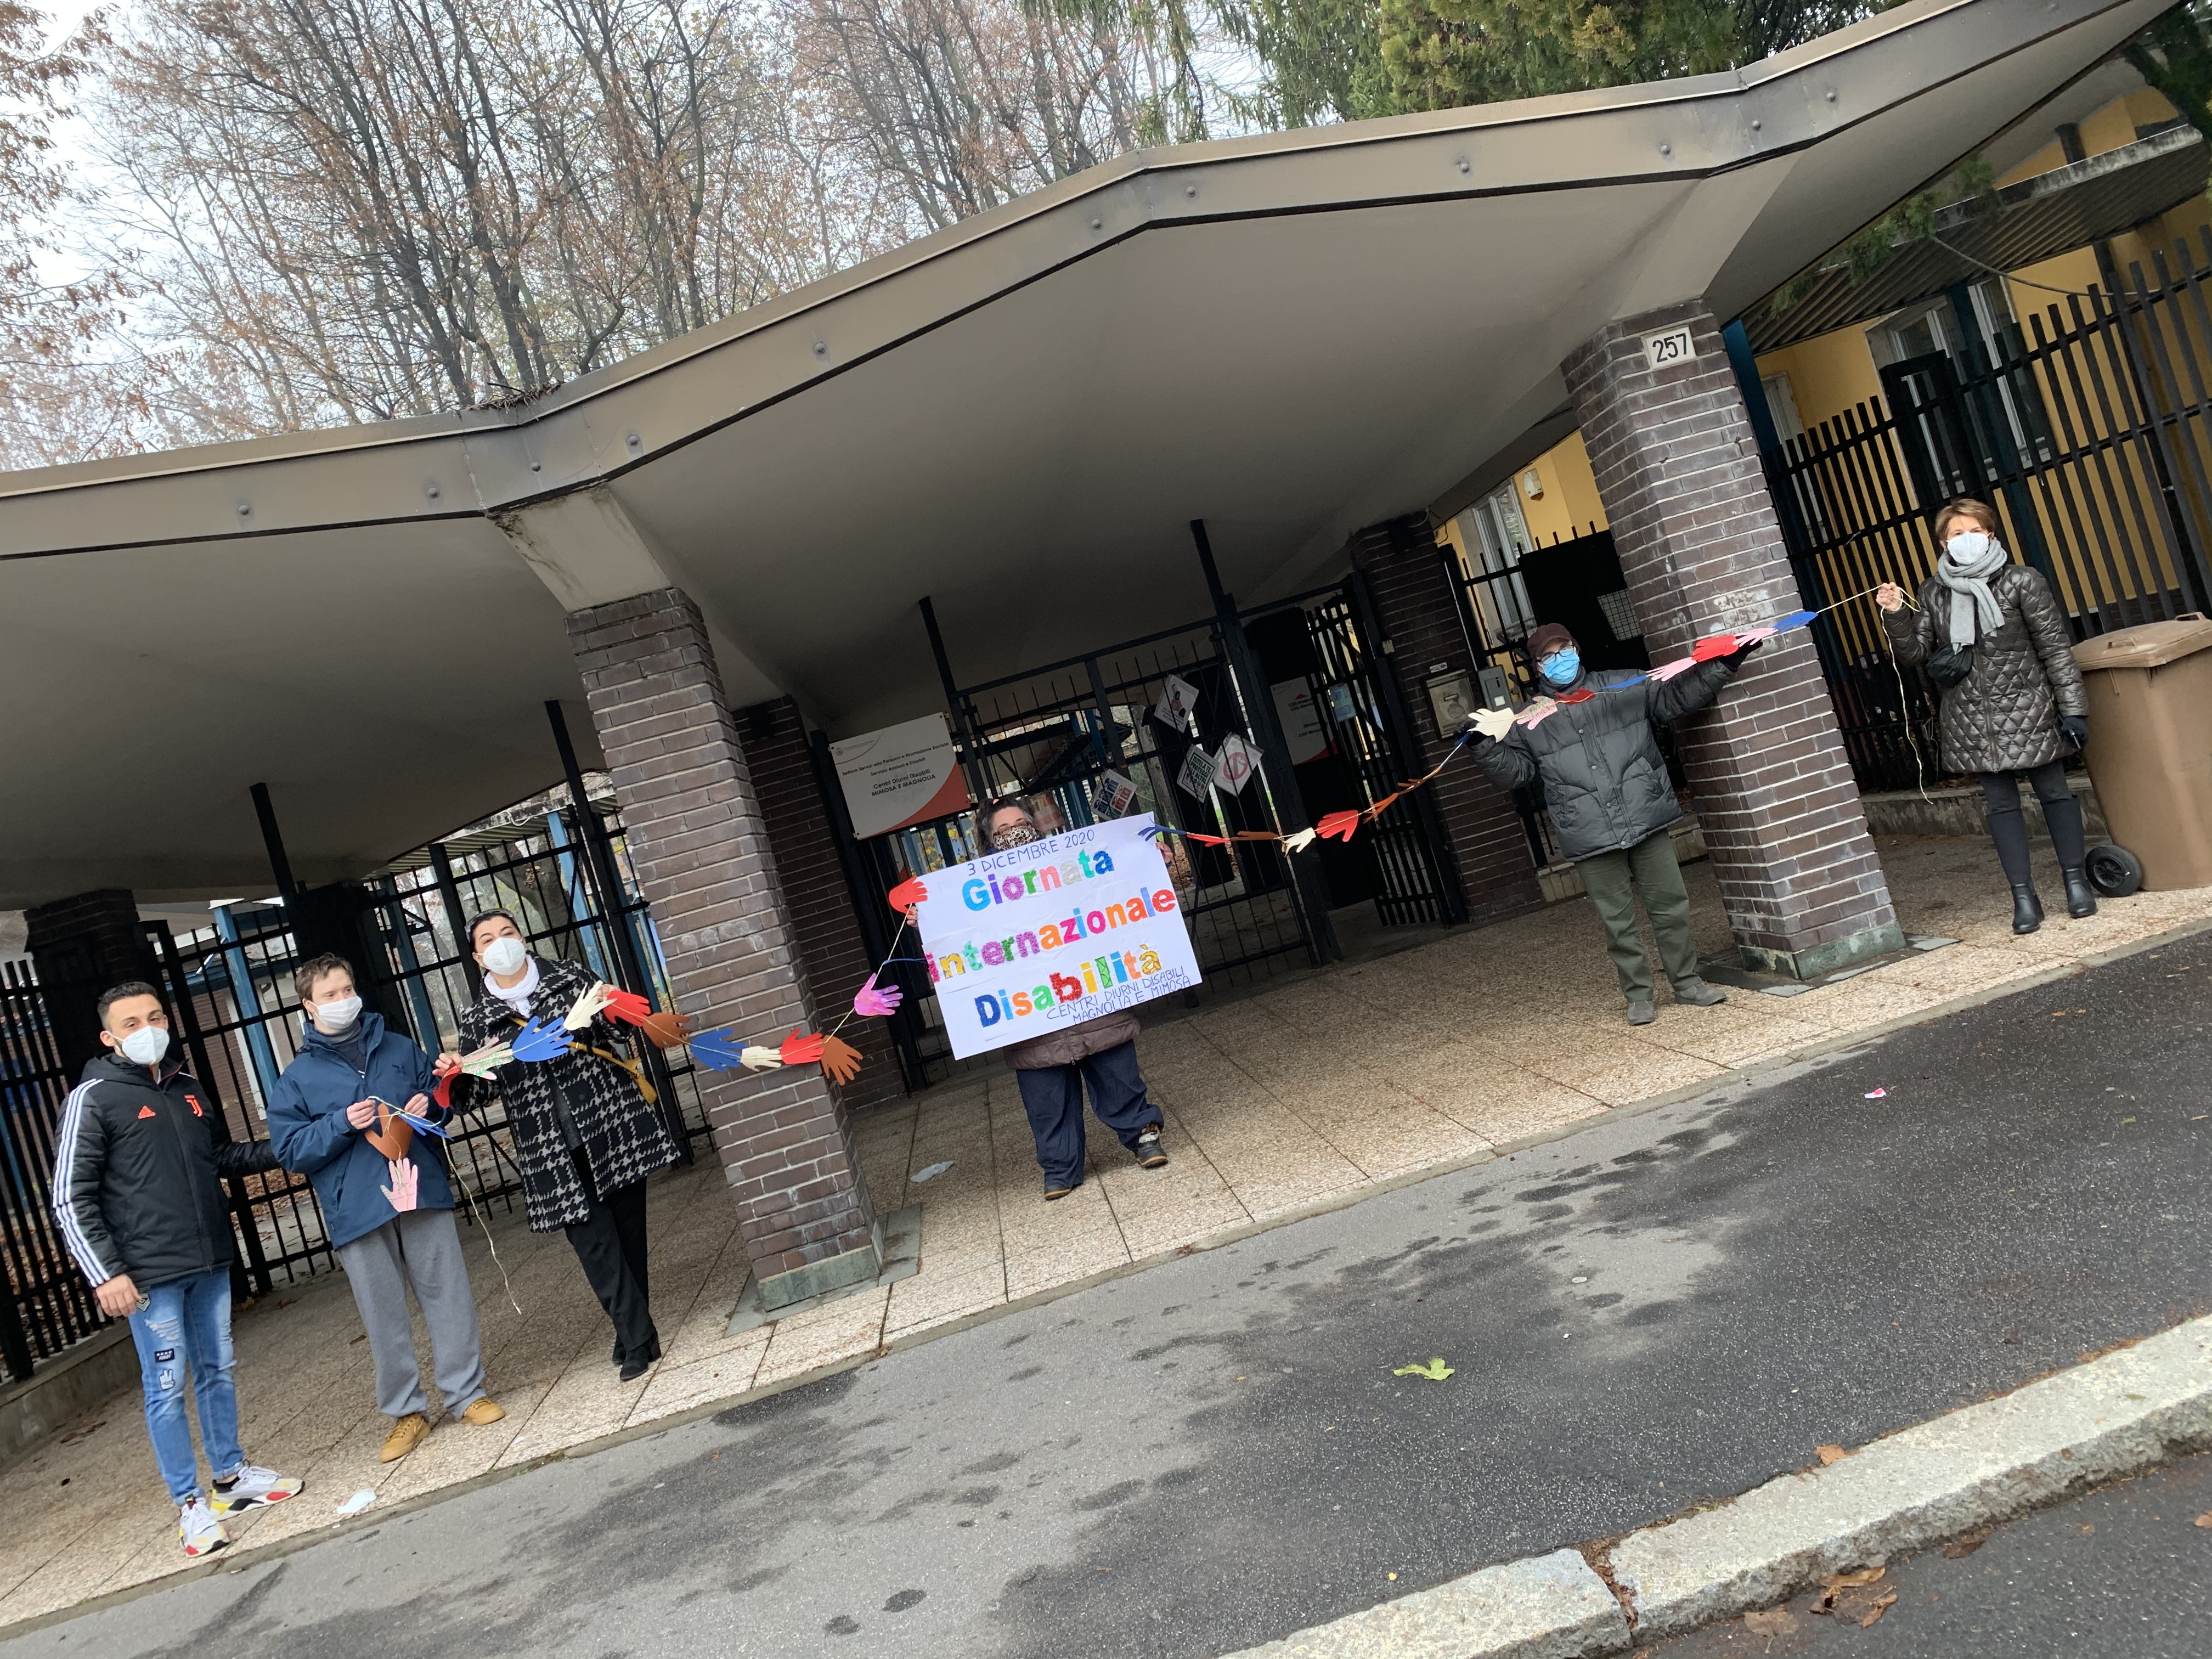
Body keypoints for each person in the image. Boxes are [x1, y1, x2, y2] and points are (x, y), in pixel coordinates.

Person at [50, 983, 303, 1557]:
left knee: (218, 1368)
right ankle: (190, 1505)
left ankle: (231, 1479)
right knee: (165, 1388)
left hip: (208, 1259)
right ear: (108, 1036)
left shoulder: (188, 1087)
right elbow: (70, 1195)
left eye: (155, 1016)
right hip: (145, 1277)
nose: (148, 1028)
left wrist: (295, 1148)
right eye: (132, 1022)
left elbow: (220, 1157)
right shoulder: (93, 1097)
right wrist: (105, 1273)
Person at [266, 954, 504, 1464]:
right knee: (383, 1314)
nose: (343, 1000)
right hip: (356, 1208)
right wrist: (338, 1124)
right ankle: (407, 1414)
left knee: (449, 1293)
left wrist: (431, 1104)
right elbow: (289, 1151)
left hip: (420, 1188)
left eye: (347, 988)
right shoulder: (297, 1079)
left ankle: (467, 1394)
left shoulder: (397, 1047)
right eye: (330, 995)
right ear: (309, 1007)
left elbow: (442, 1099)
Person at [1468, 622, 1759, 1025]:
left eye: (1564, 648)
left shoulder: (1623, 684)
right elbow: (1517, 774)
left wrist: (1726, 664)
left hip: (1644, 814)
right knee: (1617, 923)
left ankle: (1688, 982)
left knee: (1671, 907)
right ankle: (1638, 995)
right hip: (1588, 830)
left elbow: (1675, 699)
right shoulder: (1528, 718)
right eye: (1548, 656)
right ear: (1537, 667)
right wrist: (1483, 748)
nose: (1560, 659)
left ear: (1578, 648)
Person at [448, 914, 679, 1380]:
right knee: (594, 1244)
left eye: (507, 934)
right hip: (547, 1145)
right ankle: (637, 1341)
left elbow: (617, 1033)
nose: (500, 945)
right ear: (477, 958)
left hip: (608, 1122)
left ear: (523, 937)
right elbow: (478, 1095)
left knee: (629, 1236)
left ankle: (631, 1330)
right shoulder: (478, 1018)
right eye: (487, 941)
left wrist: (615, 1009)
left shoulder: (570, 977)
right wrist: (457, 1074)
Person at [1879, 498, 2092, 934]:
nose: (1967, 540)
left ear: (1991, 533)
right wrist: (1897, 615)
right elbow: (1915, 654)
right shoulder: (1933, 591)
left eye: (1974, 531)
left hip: (2029, 708)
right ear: (1943, 542)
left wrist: (2073, 710)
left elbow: (2054, 648)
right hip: (1971, 719)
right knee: (2000, 805)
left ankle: (2076, 882)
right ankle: (2023, 895)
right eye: (1956, 534)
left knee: (2055, 793)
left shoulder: (2022, 582)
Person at [983, 800, 1170, 1200]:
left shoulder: (1071, 868)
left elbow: (1119, 884)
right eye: (1003, 831)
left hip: (1095, 1006)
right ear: (990, 843)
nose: (1015, 833)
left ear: (1036, 827)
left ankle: (1143, 1137)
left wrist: (1150, 860)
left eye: (1021, 824)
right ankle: (1059, 1168)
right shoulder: (976, 899)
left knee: (1119, 1077)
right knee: (1046, 1103)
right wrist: (924, 917)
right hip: (1032, 1018)